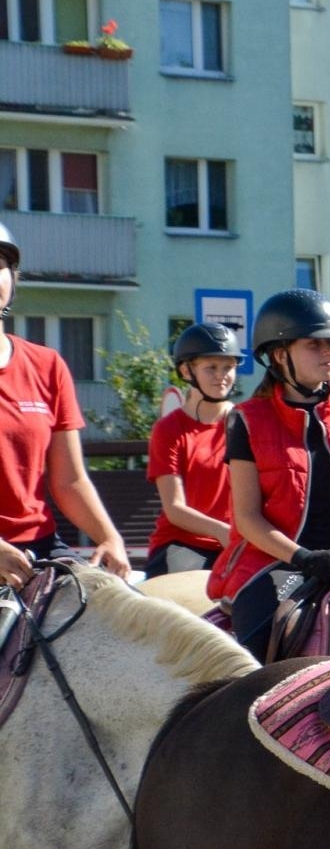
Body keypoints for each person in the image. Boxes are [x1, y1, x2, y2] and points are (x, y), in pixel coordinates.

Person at [205, 289, 330, 660]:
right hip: (284, 565)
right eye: (314, 344)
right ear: (279, 354)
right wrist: (304, 558)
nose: (328, 352)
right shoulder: (246, 419)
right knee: (255, 644)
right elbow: (247, 517)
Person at [0, 221, 132, 590]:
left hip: (39, 547)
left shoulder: (47, 365)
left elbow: (70, 480)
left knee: (128, 611)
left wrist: (109, 537)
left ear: (13, 279)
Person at [143, 323, 243, 577]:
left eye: (228, 367)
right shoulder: (169, 429)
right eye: (211, 367)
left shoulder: (249, 423)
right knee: (175, 594)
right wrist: (221, 531)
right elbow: (174, 508)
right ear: (186, 371)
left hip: (240, 541)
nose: (221, 376)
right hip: (183, 542)